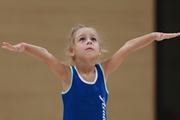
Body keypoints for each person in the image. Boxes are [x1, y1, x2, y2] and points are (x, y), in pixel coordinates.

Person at [2, 24, 180, 120]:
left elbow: (128, 47)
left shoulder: (103, 71)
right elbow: (46, 55)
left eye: (93, 39)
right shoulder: (67, 74)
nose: (89, 42)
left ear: (99, 50)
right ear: (72, 50)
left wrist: (154, 36)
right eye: (82, 39)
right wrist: (24, 47)